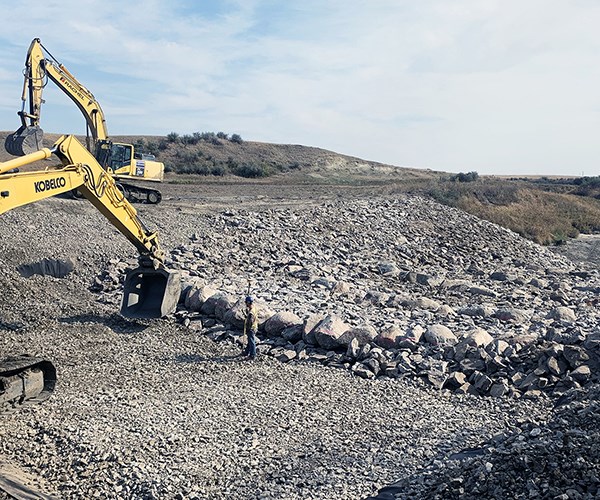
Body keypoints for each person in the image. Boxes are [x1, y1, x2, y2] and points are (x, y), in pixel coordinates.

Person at [243, 295, 258, 359]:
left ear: (248, 303)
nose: (245, 303)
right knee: (249, 340)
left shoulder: (251, 312)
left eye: (246, 302)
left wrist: (248, 328)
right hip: (254, 327)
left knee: (251, 341)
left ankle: (253, 355)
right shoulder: (253, 308)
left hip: (251, 328)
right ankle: (246, 352)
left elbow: (251, 321)